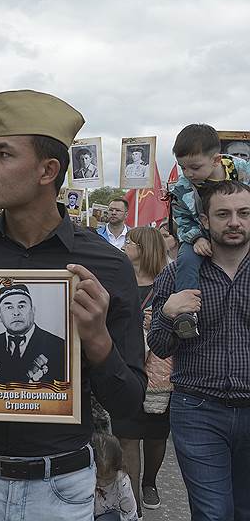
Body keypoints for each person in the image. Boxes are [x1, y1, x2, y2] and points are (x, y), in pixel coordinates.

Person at [0, 90, 146, 520]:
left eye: (3, 154)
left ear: (48, 170)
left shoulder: (107, 267)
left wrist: (96, 339)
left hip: (62, 487)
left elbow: (129, 402)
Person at [148, 180, 250, 520]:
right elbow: (159, 346)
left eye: (244, 213)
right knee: (213, 513)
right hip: (198, 409)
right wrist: (167, 313)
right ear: (204, 221)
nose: (235, 221)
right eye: (224, 214)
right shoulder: (179, 274)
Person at [168, 123, 250, 339]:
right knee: (186, 260)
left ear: (216, 160)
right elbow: (182, 218)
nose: (188, 173)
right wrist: (195, 238)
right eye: (182, 167)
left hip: (237, 229)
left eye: (194, 167)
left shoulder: (241, 170)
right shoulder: (182, 187)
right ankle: (186, 314)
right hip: (199, 233)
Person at [112, 226, 172, 516]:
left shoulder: (167, 281)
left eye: (130, 242)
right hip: (125, 363)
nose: (124, 245)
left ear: (144, 248)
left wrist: (160, 319)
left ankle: (150, 482)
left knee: (156, 432)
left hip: (159, 366)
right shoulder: (118, 278)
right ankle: (132, 503)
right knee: (127, 434)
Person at [0, 284, 66, 383]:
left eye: (21, 306)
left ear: (33, 311)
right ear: (0, 315)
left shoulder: (60, 347)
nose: (16, 313)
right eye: (9, 307)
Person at [92, 433, 139, 521]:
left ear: (118, 469)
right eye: (98, 477)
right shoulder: (84, 477)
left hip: (109, 514)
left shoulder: (122, 481)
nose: (102, 483)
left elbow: (130, 514)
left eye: (108, 480)